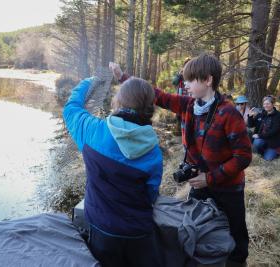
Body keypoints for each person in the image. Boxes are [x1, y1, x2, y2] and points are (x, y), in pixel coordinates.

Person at [110, 54, 252, 267]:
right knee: (196, 224)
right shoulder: (188, 106)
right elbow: (157, 96)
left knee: (236, 233)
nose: (184, 84)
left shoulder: (229, 114)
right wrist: (124, 78)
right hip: (199, 181)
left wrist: (210, 178)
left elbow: (243, 157)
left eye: (190, 79)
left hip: (228, 187)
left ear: (208, 80)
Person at [63, 77, 163, 267]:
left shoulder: (92, 131)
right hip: (139, 233)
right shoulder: (153, 151)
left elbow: (71, 109)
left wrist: (87, 82)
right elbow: (151, 193)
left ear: (118, 101)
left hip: (102, 230)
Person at [247, 95, 280, 161]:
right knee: (257, 142)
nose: (265, 105)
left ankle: (270, 151)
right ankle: (260, 151)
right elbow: (250, 125)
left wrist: (259, 135)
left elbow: (274, 131)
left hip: (272, 142)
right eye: (264, 104)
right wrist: (250, 116)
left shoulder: (278, 116)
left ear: (273, 104)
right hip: (261, 139)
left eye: (268, 103)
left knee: (267, 159)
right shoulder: (262, 114)